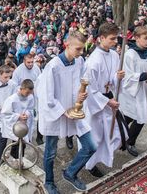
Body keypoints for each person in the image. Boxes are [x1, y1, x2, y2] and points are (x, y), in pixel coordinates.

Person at [36, 31, 97, 194]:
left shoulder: (79, 61)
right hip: (55, 114)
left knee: (91, 146)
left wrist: (82, 93)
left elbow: (82, 80)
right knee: (50, 152)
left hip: (74, 110)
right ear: (67, 45)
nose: (81, 53)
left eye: (82, 49)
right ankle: (49, 182)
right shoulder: (53, 66)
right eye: (78, 49)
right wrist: (63, 111)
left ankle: (70, 173)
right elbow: (46, 95)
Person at [83, 22, 126, 177]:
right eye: (112, 39)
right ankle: (90, 165)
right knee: (95, 136)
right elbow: (89, 89)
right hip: (97, 103)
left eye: (116, 38)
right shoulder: (93, 62)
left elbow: (111, 78)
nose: (116, 42)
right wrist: (107, 101)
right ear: (101, 38)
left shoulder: (114, 55)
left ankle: (104, 156)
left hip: (108, 99)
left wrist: (117, 77)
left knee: (114, 133)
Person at [120, 26, 147, 157]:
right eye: (145, 38)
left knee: (139, 117)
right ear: (136, 38)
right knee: (133, 116)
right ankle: (123, 140)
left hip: (142, 90)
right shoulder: (130, 54)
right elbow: (127, 76)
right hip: (131, 91)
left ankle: (130, 141)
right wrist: (145, 75)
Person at [1, 79, 34, 160]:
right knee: (16, 143)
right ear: (21, 89)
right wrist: (18, 116)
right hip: (15, 125)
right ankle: (16, 160)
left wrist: (27, 114)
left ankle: (19, 159)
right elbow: (5, 114)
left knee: (23, 144)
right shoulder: (12, 99)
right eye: (27, 93)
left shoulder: (30, 97)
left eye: (30, 93)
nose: (28, 95)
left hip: (24, 124)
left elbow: (31, 109)